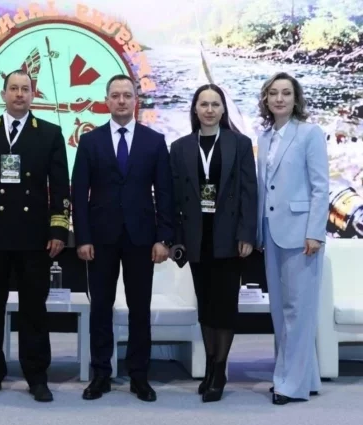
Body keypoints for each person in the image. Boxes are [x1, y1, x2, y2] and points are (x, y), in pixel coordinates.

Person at [0, 70, 70, 402]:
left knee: (34, 309)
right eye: (14, 89)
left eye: (25, 89)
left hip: (34, 237)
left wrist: (58, 228)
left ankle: (37, 376)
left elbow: (59, 187)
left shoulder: (49, 133)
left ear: (33, 95)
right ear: (3, 94)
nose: (19, 94)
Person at [71, 74, 174, 402]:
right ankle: (101, 374)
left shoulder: (154, 141)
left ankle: (139, 376)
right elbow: (79, 193)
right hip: (100, 239)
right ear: (106, 100)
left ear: (135, 101)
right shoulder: (90, 141)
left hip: (142, 238)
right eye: (115, 95)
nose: (121, 101)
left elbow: (165, 194)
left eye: (126, 95)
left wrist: (164, 238)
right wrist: (82, 237)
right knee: (100, 307)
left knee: (139, 308)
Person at [169, 84, 257, 402]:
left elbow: (249, 192)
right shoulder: (179, 147)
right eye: (203, 104)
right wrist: (175, 239)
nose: (209, 110)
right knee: (205, 306)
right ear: (195, 108)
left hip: (229, 237)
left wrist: (247, 234)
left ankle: (220, 370)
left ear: (223, 109)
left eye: (215, 104)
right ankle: (210, 366)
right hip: (197, 237)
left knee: (225, 307)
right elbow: (174, 196)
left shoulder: (240, 143)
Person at [255, 72, 328, 405]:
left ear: (296, 98)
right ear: (266, 99)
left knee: (298, 311)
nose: (279, 98)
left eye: (286, 93)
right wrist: (258, 231)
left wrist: (315, 232)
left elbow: (320, 187)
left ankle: (288, 385)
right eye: (274, 93)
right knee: (280, 311)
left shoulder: (310, 133)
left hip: (301, 235)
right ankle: (304, 378)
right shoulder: (265, 137)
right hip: (271, 232)